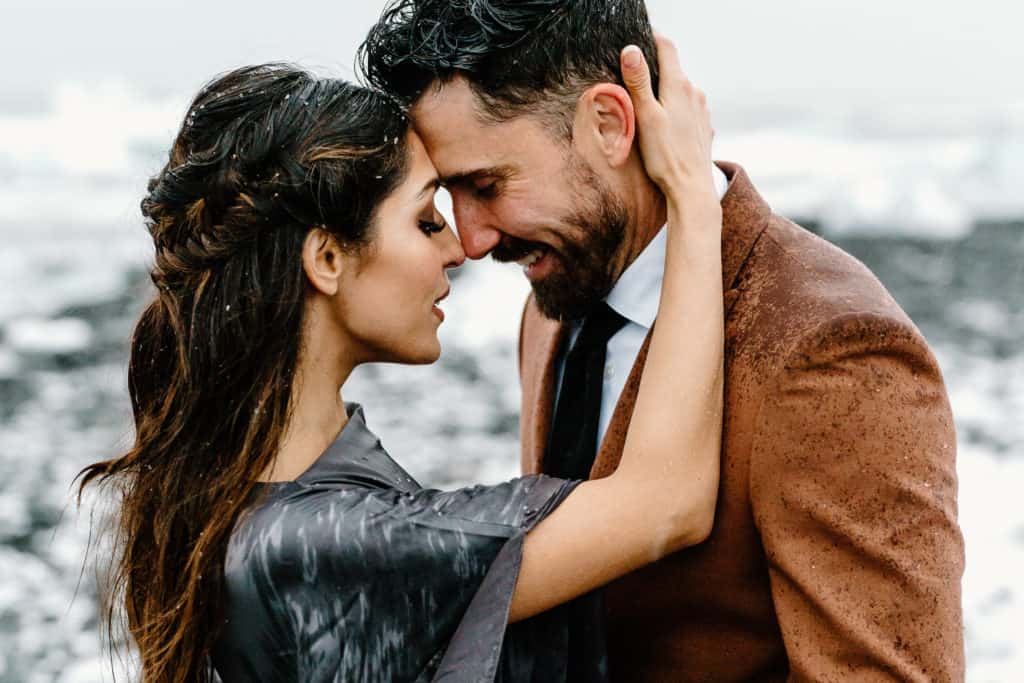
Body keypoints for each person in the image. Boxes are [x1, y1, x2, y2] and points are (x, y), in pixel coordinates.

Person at [76, 43, 722, 682]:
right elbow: (666, 504)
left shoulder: (230, 486)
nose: (461, 248)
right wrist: (692, 192)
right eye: (424, 219)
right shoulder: (321, 544)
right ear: (326, 259)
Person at [360, 1, 966, 680]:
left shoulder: (832, 349)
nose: (472, 240)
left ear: (609, 123)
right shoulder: (556, 303)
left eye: (487, 185)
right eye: (449, 196)